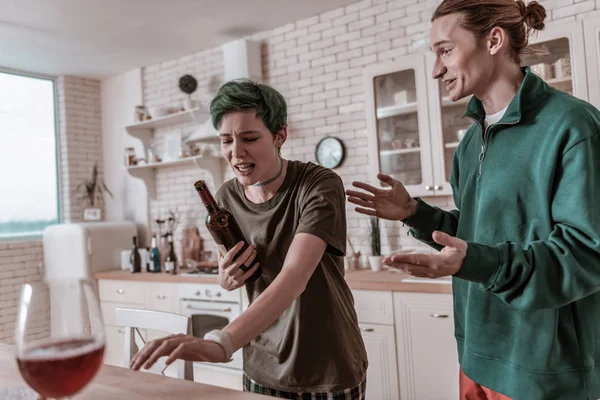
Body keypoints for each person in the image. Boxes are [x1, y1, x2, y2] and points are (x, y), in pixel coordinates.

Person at [346, 0, 600, 399]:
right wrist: (416, 214)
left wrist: (474, 261)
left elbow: (585, 254)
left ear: (494, 40)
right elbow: (475, 234)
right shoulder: (468, 144)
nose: (435, 69)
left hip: (543, 370)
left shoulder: (571, 125)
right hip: (475, 356)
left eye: (445, 50)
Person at [130, 79, 368, 399]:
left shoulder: (318, 184)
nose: (235, 152)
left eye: (250, 138)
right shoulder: (224, 198)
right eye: (226, 140)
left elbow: (295, 276)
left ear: (279, 135)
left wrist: (221, 342)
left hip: (326, 365)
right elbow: (226, 275)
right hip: (260, 364)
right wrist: (227, 277)